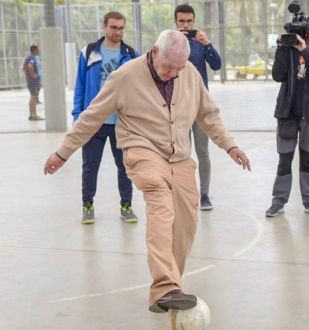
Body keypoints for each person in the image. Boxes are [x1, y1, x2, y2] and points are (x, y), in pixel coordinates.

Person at [43, 30, 251, 313]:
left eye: (179, 68)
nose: (173, 74)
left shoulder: (187, 73)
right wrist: (62, 152)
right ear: (154, 52)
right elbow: (91, 116)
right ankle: (165, 286)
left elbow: (209, 114)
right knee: (161, 204)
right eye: (168, 67)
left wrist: (230, 146)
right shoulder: (124, 77)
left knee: (186, 223)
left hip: (179, 158)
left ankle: (168, 289)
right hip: (142, 151)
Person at [266, 13, 309, 217]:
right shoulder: (289, 50)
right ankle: (278, 201)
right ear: (306, 29)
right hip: (287, 113)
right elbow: (278, 76)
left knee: (308, 159)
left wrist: (304, 49)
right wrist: (282, 47)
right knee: (284, 159)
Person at [72, 11, 139, 224]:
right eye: (113, 27)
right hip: (94, 122)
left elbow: (140, 88)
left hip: (122, 123)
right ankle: (87, 205)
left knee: (125, 166)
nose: (117, 31)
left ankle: (126, 206)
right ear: (104, 27)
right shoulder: (89, 52)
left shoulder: (131, 54)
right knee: (90, 166)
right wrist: (77, 117)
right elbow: (79, 87)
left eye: (121, 28)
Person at [174, 4, 222, 211]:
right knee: (180, 152)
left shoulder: (200, 42)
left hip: (200, 107)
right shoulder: (168, 42)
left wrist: (207, 44)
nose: (185, 25)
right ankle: (183, 191)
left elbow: (217, 65)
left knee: (203, 152)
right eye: (181, 21)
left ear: (194, 22)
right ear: (175, 22)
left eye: (189, 21)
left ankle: (204, 194)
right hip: (177, 107)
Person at [22, 45, 43, 121]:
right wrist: (34, 75)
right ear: (34, 50)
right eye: (38, 50)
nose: (39, 51)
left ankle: (33, 114)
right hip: (32, 80)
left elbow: (23, 68)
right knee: (33, 97)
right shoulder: (31, 58)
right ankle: (33, 115)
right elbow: (30, 67)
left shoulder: (29, 57)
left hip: (30, 79)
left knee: (33, 96)